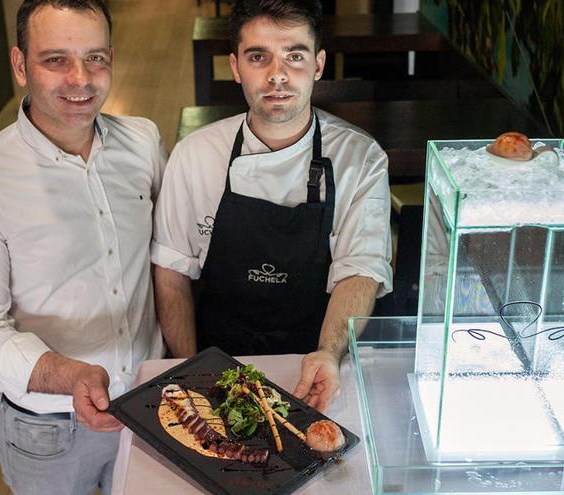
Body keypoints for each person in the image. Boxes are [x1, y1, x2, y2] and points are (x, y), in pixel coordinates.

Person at [0, 1, 167, 493]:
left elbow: (169, 259)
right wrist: (67, 375)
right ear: (20, 65)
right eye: (56, 60)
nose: (80, 79)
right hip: (52, 431)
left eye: (96, 58)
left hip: (153, 402)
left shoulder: (143, 142)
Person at [152, 0, 392, 413]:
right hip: (215, 363)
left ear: (318, 64)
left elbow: (360, 271)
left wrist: (328, 355)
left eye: (294, 56)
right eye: (258, 57)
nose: (277, 75)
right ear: (235, 66)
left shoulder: (360, 158)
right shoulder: (196, 154)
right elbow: (172, 270)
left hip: (313, 366)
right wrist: (192, 368)